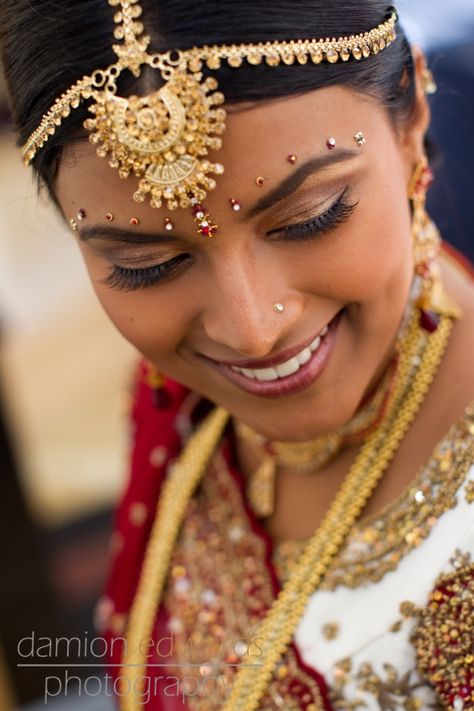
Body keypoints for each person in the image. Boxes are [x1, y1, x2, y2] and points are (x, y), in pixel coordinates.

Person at [1, 1, 473, 709]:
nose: (252, 331)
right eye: (147, 265)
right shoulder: (179, 405)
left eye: (311, 217)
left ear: (410, 120)